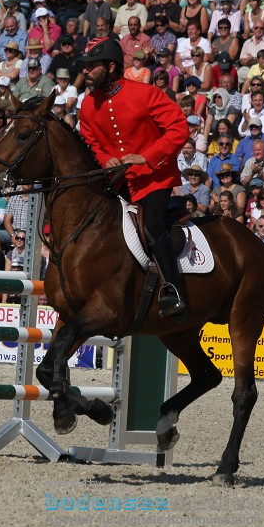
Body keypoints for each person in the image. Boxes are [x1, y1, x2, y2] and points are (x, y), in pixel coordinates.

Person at [78, 37, 188, 318]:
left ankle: (173, 290)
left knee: (151, 226)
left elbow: (178, 128)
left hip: (154, 177)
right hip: (117, 182)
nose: (86, 71)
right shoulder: (88, 106)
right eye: (85, 66)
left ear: (111, 66)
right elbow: (92, 144)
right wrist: (106, 160)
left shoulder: (145, 94)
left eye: (92, 66)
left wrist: (147, 156)